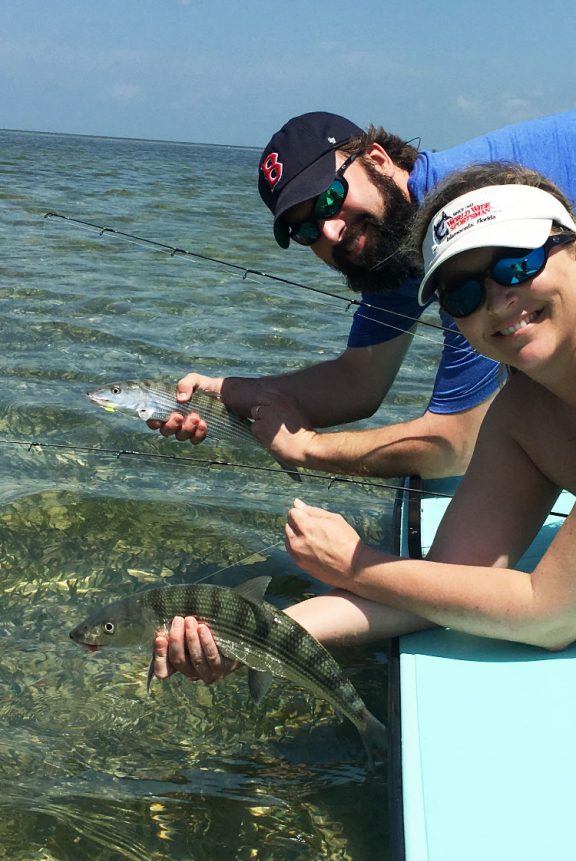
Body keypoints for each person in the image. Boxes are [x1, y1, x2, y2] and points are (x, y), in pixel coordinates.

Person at [153, 163, 576, 683]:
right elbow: (449, 585)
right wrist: (256, 636)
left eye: (516, 264)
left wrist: (355, 563)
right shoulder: (522, 413)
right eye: (462, 294)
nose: (497, 300)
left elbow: (551, 615)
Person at [151, 110, 576, 480]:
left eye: (331, 197)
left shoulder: (462, 234)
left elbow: (457, 446)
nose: (331, 230)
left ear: (377, 159)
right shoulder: (395, 250)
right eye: (305, 230)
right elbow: (359, 382)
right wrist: (221, 396)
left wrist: (309, 449)